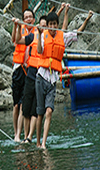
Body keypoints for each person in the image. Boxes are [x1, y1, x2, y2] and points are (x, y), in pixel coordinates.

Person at [35, 12, 67, 149]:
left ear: (57, 25)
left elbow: (75, 32)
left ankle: (43, 144)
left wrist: (66, 12)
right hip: (41, 77)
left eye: (55, 24)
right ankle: (37, 141)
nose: (53, 27)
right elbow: (39, 50)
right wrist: (38, 33)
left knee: (49, 111)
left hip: (53, 80)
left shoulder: (62, 36)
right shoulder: (43, 35)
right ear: (47, 26)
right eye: (50, 25)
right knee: (40, 113)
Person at [14, 15, 47, 144]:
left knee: (35, 109)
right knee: (26, 108)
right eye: (41, 25)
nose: (43, 28)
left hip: (42, 75)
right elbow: (18, 40)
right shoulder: (33, 36)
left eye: (45, 26)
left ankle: (30, 136)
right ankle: (26, 136)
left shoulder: (50, 39)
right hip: (31, 73)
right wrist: (17, 26)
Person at [11, 8, 36, 142]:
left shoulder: (37, 32)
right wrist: (15, 26)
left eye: (30, 17)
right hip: (18, 69)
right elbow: (14, 40)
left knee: (22, 104)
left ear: (33, 19)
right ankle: (16, 133)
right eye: (25, 17)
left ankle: (19, 134)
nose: (28, 19)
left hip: (29, 70)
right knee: (16, 105)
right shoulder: (19, 28)